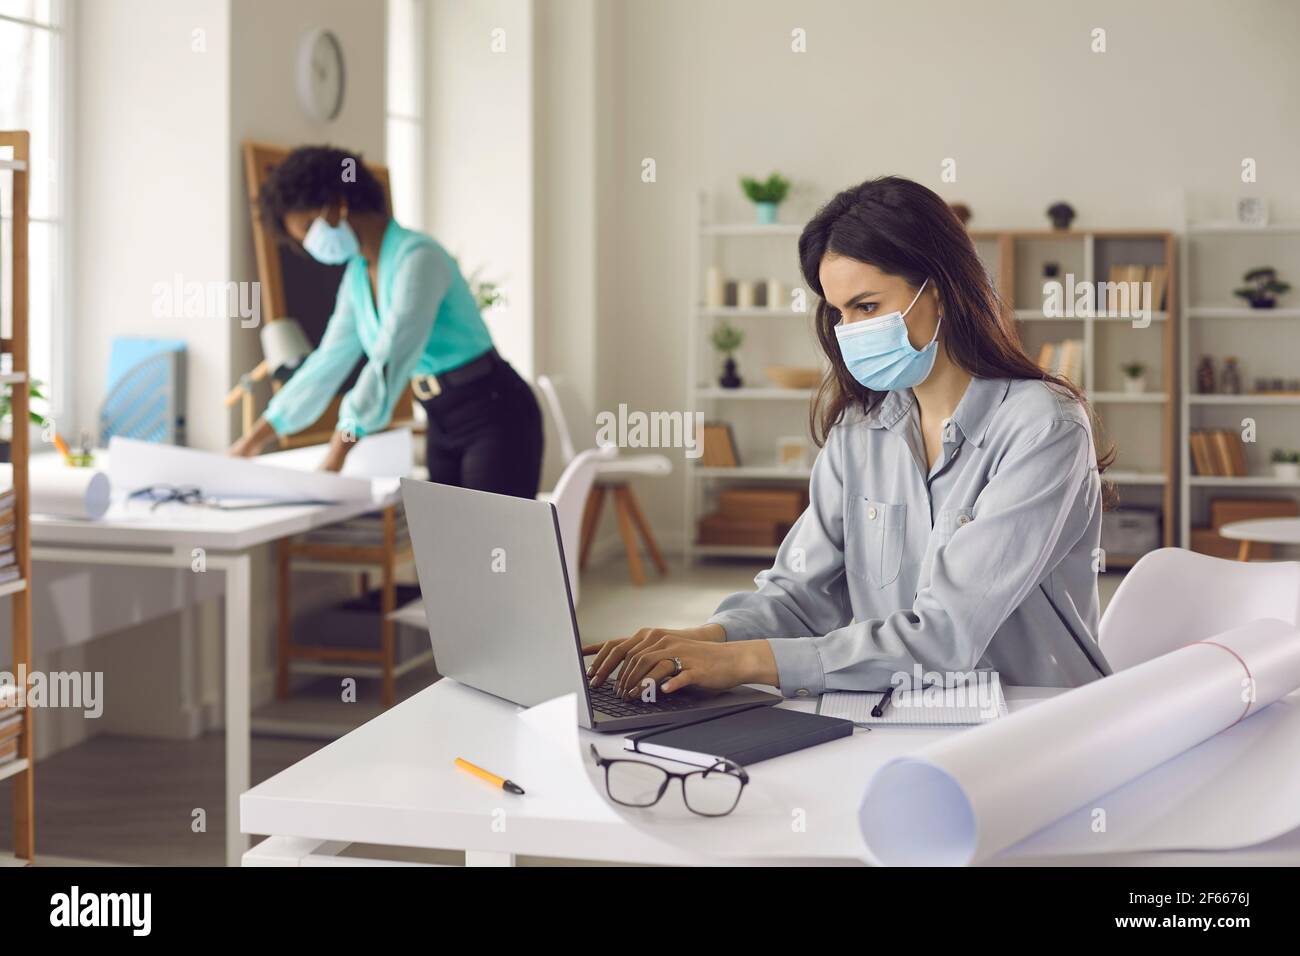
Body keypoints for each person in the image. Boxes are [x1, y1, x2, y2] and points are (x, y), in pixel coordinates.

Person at [586, 175, 1113, 699]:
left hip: (1035, 720)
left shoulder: (1044, 425)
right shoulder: (860, 429)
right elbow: (799, 596)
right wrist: (702, 640)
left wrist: (740, 660)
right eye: (838, 313)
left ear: (944, 291)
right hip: (901, 712)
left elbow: (946, 634)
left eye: (867, 307)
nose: (850, 331)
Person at [229, 145, 543, 498]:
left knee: (496, 546)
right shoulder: (357, 276)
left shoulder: (419, 259)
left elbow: (390, 360)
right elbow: (327, 363)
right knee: (452, 548)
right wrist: (251, 442)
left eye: (306, 229)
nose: (309, 246)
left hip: (494, 410)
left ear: (336, 206)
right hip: (441, 418)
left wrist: (337, 453)